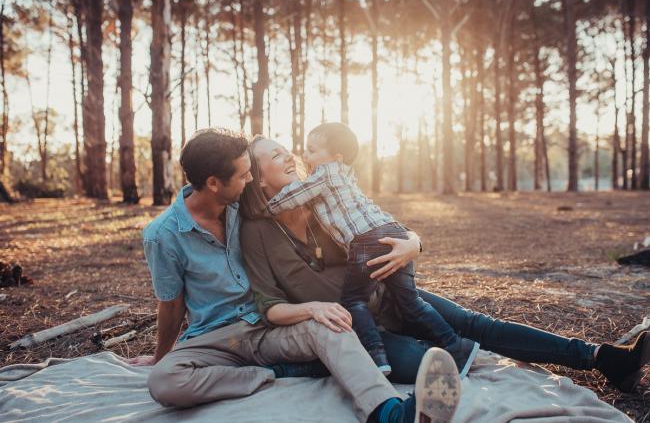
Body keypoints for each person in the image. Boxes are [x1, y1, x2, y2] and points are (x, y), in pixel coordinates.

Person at [239, 134, 650, 393]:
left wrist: (414, 244)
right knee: (443, 355)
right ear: (258, 179)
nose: (288, 155)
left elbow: (382, 224)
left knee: (479, 324)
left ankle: (603, 357)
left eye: (284, 148)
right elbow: (268, 302)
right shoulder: (258, 230)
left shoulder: (323, 203)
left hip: (393, 292)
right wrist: (314, 310)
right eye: (273, 156)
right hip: (356, 325)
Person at [127, 128, 462, 423]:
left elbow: (356, 218)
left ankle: (389, 413)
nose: (248, 181)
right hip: (215, 339)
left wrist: (413, 241)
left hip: (267, 329)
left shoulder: (241, 209)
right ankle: (271, 374)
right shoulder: (163, 236)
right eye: (243, 175)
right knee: (163, 381)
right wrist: (161, 355)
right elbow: (170, 305)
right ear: (213, 183)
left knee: (329, 325)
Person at [259, 123, 478, 377]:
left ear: (335, 157)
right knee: (411, 302)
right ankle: (456, 345)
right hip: (391, 231)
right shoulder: (346, 174)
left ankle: (376, 356)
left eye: (311, 150)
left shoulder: (324, 175)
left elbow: (291, 197)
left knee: (353, 300)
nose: (303, 156)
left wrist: (264, 209)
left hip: (367, 241)